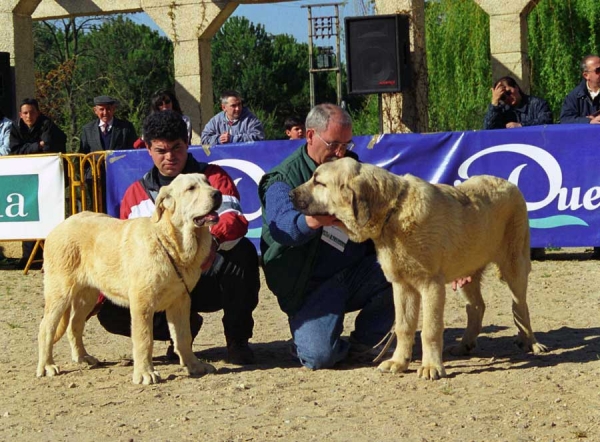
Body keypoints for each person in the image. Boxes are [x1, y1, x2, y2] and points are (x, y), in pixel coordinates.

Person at [92, 110, 260, 365]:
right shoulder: (135, 194)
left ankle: (237, 341)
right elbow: (124, 254)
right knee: (112, 312)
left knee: (243, 253)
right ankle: (181, 336)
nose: (170, 156)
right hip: (160, 282)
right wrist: (98, 295)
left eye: (177, 148)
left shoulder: (213, 178)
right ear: (148, 149)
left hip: (206, 276)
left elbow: (233, 220)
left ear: (187, 144)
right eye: (161, 150)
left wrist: (211, 243)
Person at [258, 103, 395, 370]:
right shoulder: (283, 178)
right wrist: (314, 221)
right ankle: (310, 342)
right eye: (333, 144)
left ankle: (366, 343)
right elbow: (281, 227)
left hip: (355, 272)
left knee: (402, 268)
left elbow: (394, 212)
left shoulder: (354, 169)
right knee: (320, 358)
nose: (341, 152)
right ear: (310, 136)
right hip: (309, 286)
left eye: (347, 144)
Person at [9, 98, 67, 268]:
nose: (29, 116)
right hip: (25, 179)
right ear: (20, 115)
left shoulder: (47, 124)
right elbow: (14, 150)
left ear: (38, 112)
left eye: (32, 112)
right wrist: (37, 145)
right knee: (28, 215)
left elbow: (48, 146)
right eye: (25, 113)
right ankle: (28, 257)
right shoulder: (15, 127)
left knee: (49, 215)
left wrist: (30, 147)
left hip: (49, 179)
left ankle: (50, 257)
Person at [483, 76, 553, 129]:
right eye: (503, 97)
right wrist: (494, 102)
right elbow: (488, 128)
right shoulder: (502, 110)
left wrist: (521, 125)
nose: (507, 98)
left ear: (516, 87)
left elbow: (547, 121)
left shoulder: (537, 103)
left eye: (508, 92)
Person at [559, 54, 600, 124]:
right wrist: (588, 121)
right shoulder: (574, 96)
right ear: (586, 75)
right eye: (598, 70)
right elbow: (565, 119)